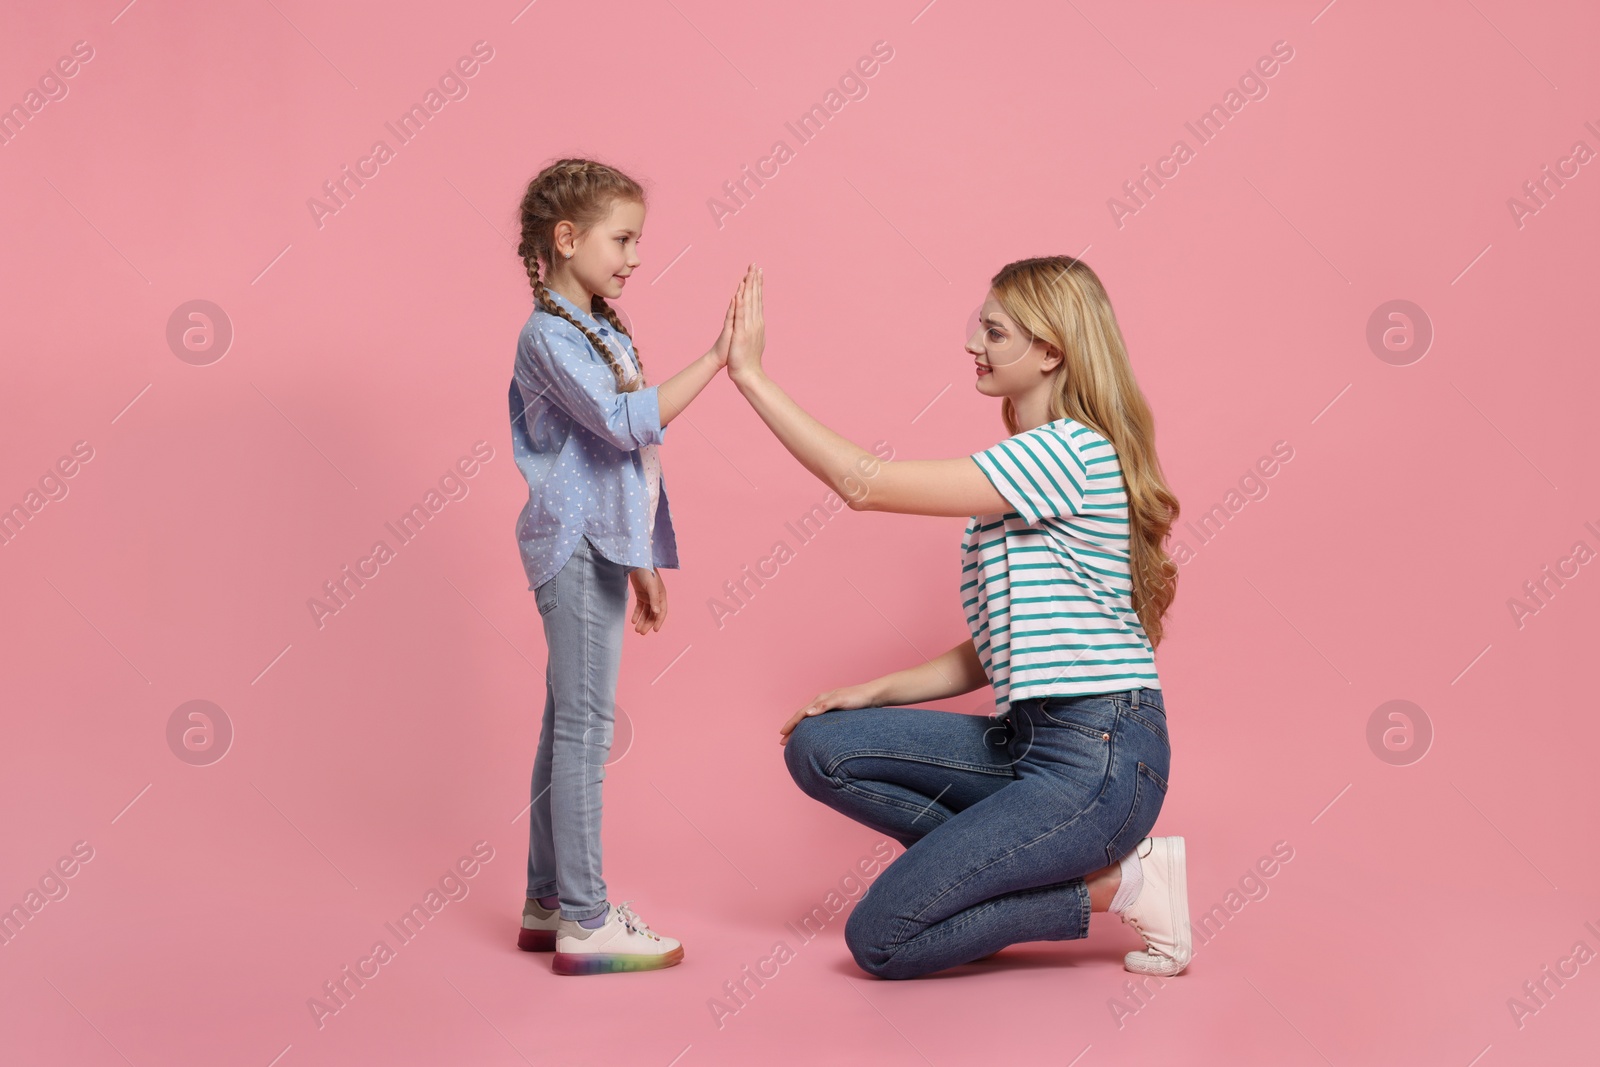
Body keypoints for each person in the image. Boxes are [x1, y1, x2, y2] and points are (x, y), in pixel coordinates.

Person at [725, 259, 1192, 980]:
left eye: (994, 330)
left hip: (1097, 758)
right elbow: (995, 651)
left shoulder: (1066, 451)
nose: (973, 341)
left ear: (1050, 351)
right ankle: (988, 866)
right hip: (1026, 741)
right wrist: (875, 691)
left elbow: (864, 485)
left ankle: (1126, 885)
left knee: (880, 937)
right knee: (819, 745)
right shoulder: (1021, 472)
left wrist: (752, 376)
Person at [508, 158, 739, 975]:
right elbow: (621, 423)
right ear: (566, 239)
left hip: (602, 543)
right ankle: (587, 918)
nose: (636, 256)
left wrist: (642, 559)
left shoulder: (601, 327)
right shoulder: (548, 336)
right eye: (623, 237)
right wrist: (717, 359)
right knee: (583, 728)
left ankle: (547, 898)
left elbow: (627, 467)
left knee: (563, 723)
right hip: (570, 546)